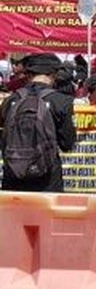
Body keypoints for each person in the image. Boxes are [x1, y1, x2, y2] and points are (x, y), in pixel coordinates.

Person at [0, 52, 77, 192]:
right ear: (53, 74)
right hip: (47, 179)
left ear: (29, 74)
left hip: (12, 176)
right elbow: (67, 144)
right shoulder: (62, 101)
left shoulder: (10, 100)